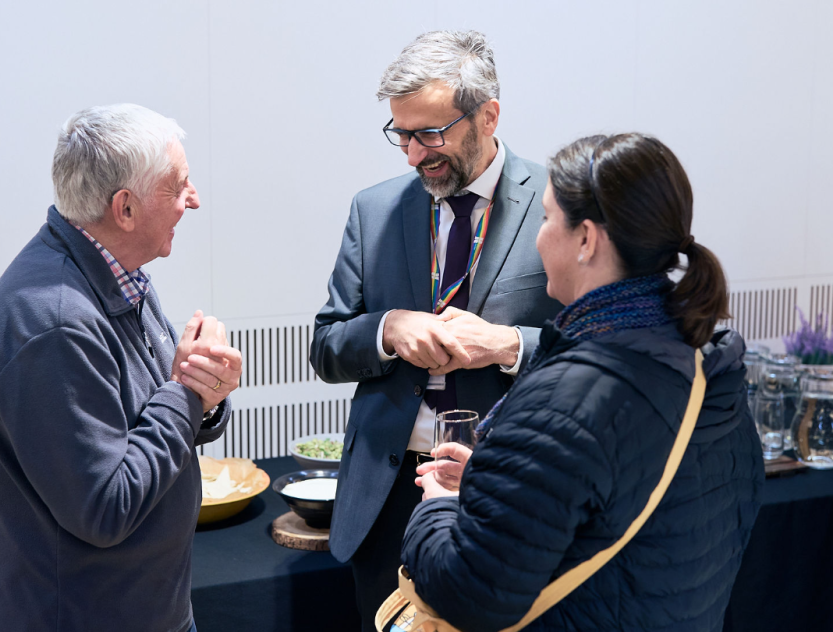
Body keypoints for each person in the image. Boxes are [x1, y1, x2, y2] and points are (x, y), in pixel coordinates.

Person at [400, 133, 765, 631]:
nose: (538, 236)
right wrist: (499, 483)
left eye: (547, 218)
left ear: (587, 239)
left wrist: (440, 509)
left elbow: (470, 592)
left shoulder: (567, 396)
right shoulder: (706, 366)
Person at [309, 31, 561, 629]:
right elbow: (326, 345)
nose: (413, 155)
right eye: (401, 133)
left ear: (488, 115)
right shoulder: (374, 210)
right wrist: (388, 328)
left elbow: (603, 350)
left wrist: (509, 345)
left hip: (508, 493)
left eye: (430, 133)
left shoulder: (561, 203)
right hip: (388, 497)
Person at [0, 104, 242, 632]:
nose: (195, 198)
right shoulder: (54, 324)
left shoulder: (119, 273)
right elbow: (105, 507)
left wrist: (204, 392)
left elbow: (152, 411)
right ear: (126, 209)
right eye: (179, 184)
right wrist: (187, 393)